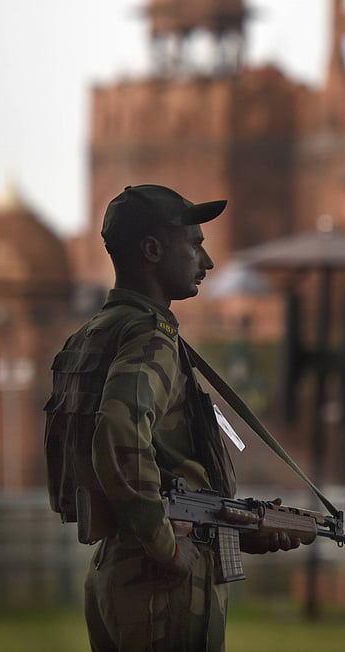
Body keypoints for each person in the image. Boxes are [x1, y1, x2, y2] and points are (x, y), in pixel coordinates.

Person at [50, 184, 300, 652]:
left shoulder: (92, 335)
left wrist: (239, 528)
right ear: (152, 251)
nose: (206, 263)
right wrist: (168, 548)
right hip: (159, 580)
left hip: (116, 566)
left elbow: (160, 465)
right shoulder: (151, 337)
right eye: (195, 245)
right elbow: (119, 432)